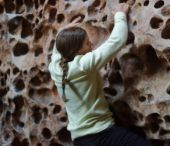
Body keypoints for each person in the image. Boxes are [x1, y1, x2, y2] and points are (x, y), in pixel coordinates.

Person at [48, 3, 151, 146]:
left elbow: (57, 48)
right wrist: (120, 15)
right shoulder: (83, 65)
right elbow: (116, 41)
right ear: (76, 52)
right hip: (101, 135)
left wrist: (63, 31)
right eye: (86, 44)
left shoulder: (55, 66)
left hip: (80, 140)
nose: (90, 44)